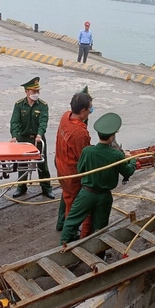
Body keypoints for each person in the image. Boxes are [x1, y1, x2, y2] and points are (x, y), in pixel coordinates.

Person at [60, 113, 136, 244]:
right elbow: (128, 171)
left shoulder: (87, 151)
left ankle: (63, 248)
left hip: (86, 193)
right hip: (104, 197)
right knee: (100, 228)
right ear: (112, 136)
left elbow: (80, 170)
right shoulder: (117, 155)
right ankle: (100, 254)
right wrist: (132, 159)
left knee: (72, 222)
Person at [55, 87, 92, 235]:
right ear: (83, 111)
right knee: (77, 206)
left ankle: (63, 225)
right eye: (90, 109)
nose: (90, 112)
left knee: (67, 197)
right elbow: (84, 159)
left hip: (61, 167)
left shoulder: (65, 117)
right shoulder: (80, 133)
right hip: (73, 174)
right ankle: (70, 236)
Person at [10, 77, 54, 199]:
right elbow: (15, 122)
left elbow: (43, 121)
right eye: (33, 91)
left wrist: (40, 134)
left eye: (38, 91)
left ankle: (47, 188)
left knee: (42, 164)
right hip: (23, 139)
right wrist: (14, 135)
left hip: (37, 139)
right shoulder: (19, 105)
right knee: (22, 164)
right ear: (26, 92)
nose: (36, 94)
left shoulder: (43, 106)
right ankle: (21, 187)